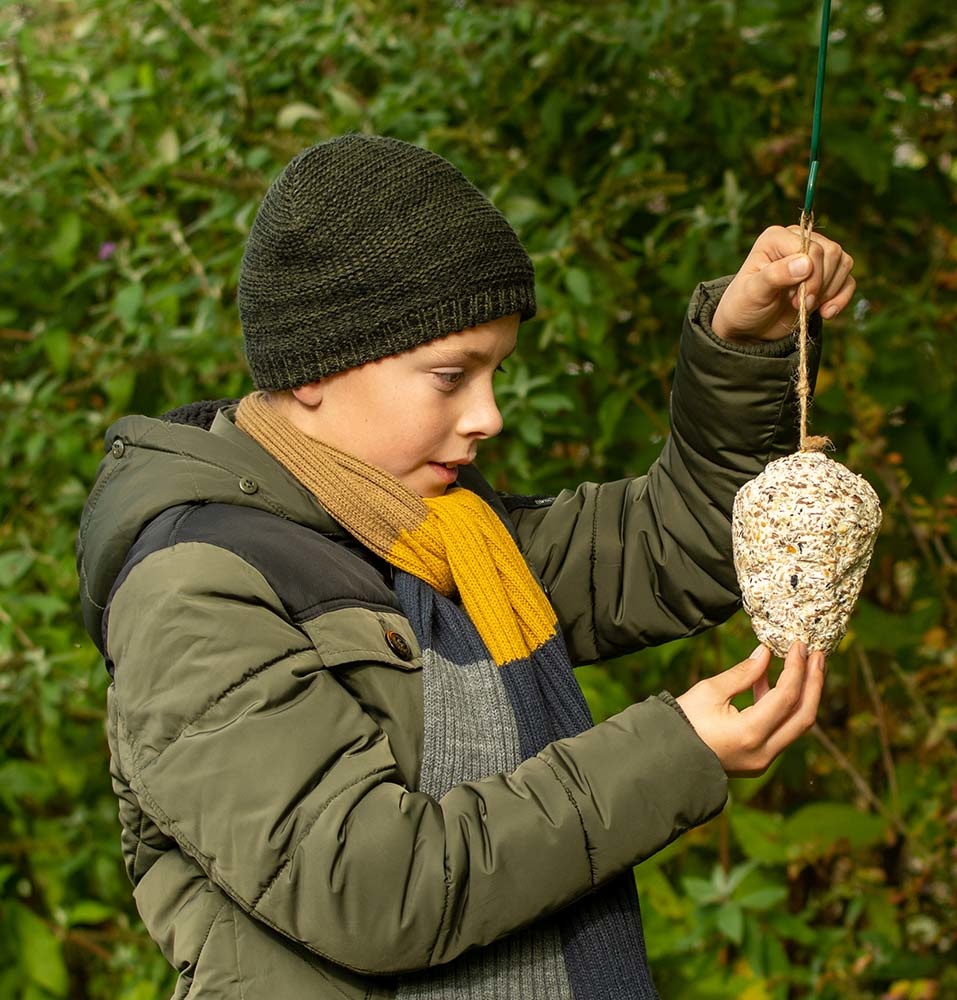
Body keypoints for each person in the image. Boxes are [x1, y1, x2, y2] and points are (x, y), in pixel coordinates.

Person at [77, 134, 855, 1000]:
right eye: (451, 376)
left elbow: (682, 543)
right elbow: (373, 888)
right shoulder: (193, 588)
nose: (486, 415)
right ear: (313, 371)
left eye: (496, 371)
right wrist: (672, 754)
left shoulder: (453, 537)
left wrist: (741, 342)